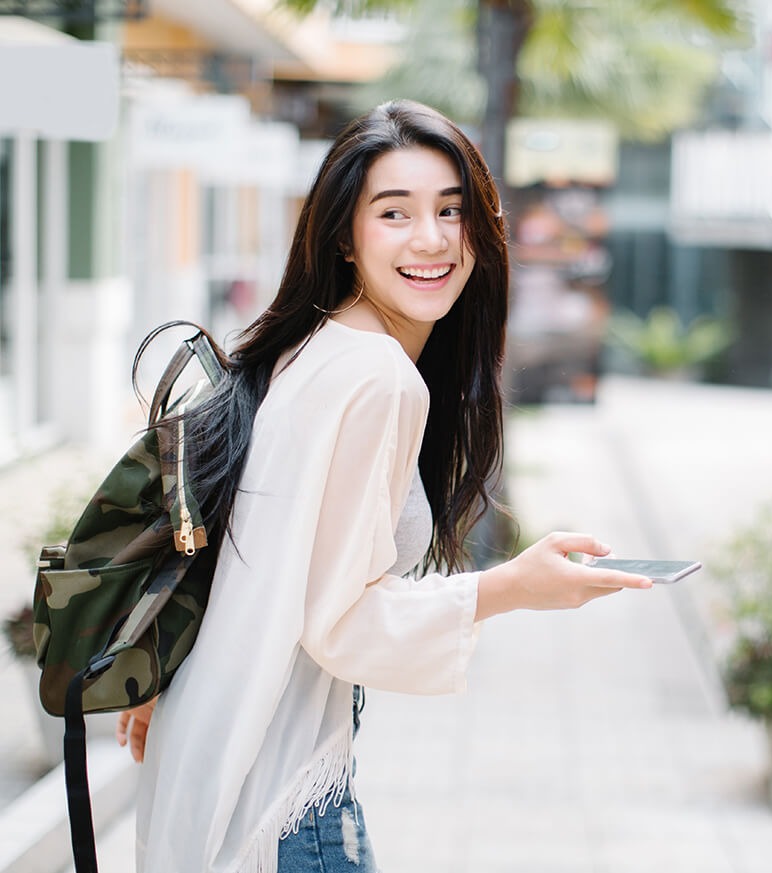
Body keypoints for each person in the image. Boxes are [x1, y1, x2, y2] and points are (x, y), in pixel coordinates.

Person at [115, 99, 651, 873]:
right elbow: (341, 619)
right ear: (344, 235)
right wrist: (511, 586)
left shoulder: (306, 347)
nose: (431, 239)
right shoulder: (379, 378)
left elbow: (255, 551)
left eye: (451, 211)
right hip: (283, 801)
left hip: (216, 773)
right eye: (394, 213)